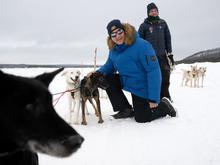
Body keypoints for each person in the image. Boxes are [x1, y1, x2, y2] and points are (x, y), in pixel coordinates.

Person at [92, 19, 176, 123]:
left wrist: (153, 98)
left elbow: (153, 71)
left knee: (142, 118)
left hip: (141, 85)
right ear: (110, 38)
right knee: (103, 79)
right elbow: (109, 66)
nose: (117, 36)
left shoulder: (142, 45)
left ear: (125, 31)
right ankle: (125, 109)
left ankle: (165, 106)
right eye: (113, 35)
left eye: (119, 32)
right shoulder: (114, 49)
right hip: (127, 80)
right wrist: (96, 73)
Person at [138, 3, 175, 101]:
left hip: (162, 55)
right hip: (150, 57)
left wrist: (170, 54)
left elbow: (168, 38)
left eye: (155, 10)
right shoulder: (144, 26)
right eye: (151, 11)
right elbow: (139, 42)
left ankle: (165, 95)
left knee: (165, 76)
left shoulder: (163, 23)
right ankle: (154, 96)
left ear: (157, 11)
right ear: (148, 13)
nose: (154, 12)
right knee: (152, 77)